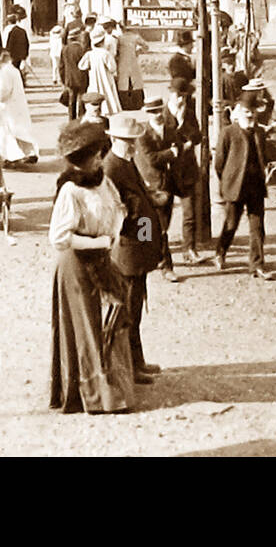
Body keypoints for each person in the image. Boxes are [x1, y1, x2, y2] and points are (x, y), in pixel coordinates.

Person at [49, 120, 134, 414]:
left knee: (109, 321)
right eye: (96, 154)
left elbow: (116, 205)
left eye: (101, 152)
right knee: (87, 328)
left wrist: (118, 224)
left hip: (100, 260)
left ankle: (115, 388)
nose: (101, 158)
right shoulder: (71, 190)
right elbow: (59, 238)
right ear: (82, 159)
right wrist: (99, 243)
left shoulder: (103, 180)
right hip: (76, 265)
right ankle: (94, 396)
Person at [103, 114, 166, 383]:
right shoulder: (111, 168)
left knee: (136, 308)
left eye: (133, 141)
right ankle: (129, 366)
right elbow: (115, 213)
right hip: (126, 252)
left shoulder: (126, 163)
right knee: (127, 312)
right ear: (114, 140)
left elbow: (138, 200)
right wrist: (141, 212)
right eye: (127, 141)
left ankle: (137, 360)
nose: (132, 146)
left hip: (137, 250)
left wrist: (151, 201)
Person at [214, 90, 274, 279]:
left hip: (255, 186)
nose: (250, 115)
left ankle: (257, 265)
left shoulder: (260, 132)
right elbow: (219, 163)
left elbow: (264, 156)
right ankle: (220, 252)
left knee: (257, 227)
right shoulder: (228, 132)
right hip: (235, 187)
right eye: (247, 111)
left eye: (253, 111)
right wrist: (227, 183)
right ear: (238, 111)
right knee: (231, 224)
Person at [134, 97, 182, 283]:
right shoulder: (142, 134)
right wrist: (172, 153)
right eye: (153, 112)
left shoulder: (170, 129)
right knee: (151, 225)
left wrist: (174, 151)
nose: (158, 115)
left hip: (167, 184)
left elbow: (178, 145)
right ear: (147, 114)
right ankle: (165, 264)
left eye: (159, 111)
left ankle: (150, 256)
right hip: (149, 186)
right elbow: (151, 159)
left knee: (163, 224)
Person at [164, 79, 209, 262]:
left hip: (187, 170)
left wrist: (184, 124)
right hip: (166, 172)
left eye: (184, 96)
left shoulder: (189, 114)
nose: (181, 99)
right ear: (170, 94)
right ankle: (160, 254)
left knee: (190, 214)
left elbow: (198, 136)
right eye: (178, 95)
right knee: (162, 218)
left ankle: (189, 249)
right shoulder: (161, 113)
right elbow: (160, 140)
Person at [0, 50, 38, 166]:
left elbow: (4, 92)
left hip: (7, 107)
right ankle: (28, 153)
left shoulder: (4, 73)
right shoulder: (14, 70)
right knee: (20, 130)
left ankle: (10, 157)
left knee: (7, 133)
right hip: (17, 105)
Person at [79, 25, 120, 114]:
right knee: (107, 93)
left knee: (94, 93)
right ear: (103, 41)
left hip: (94, 78)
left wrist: (89, 67)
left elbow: (82, 66)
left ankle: (94, 110)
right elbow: (112, 68)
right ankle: (107, 111)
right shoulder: (106, 54)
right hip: (106, 79)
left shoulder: (90, 54)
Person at [107, 18, 145, 110]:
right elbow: (146, 46)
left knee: (123, 82)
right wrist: (139, 52)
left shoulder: (119, 38)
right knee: (134, 81)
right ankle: (136, 103)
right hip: (132, 61)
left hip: (123, 61)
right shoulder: (135, 37)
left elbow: (115, 51)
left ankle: (125, 104)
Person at [3, 10, 30, 84]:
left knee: (13, 70)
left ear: (9, 22)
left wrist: (6, 51)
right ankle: (22, 81)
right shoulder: (22, 31)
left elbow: (9, 43)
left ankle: (17, 82)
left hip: (13, 55)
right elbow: (27, 43)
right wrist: (25, 54)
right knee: (18, 69)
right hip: (21, 54)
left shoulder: (9, 31)